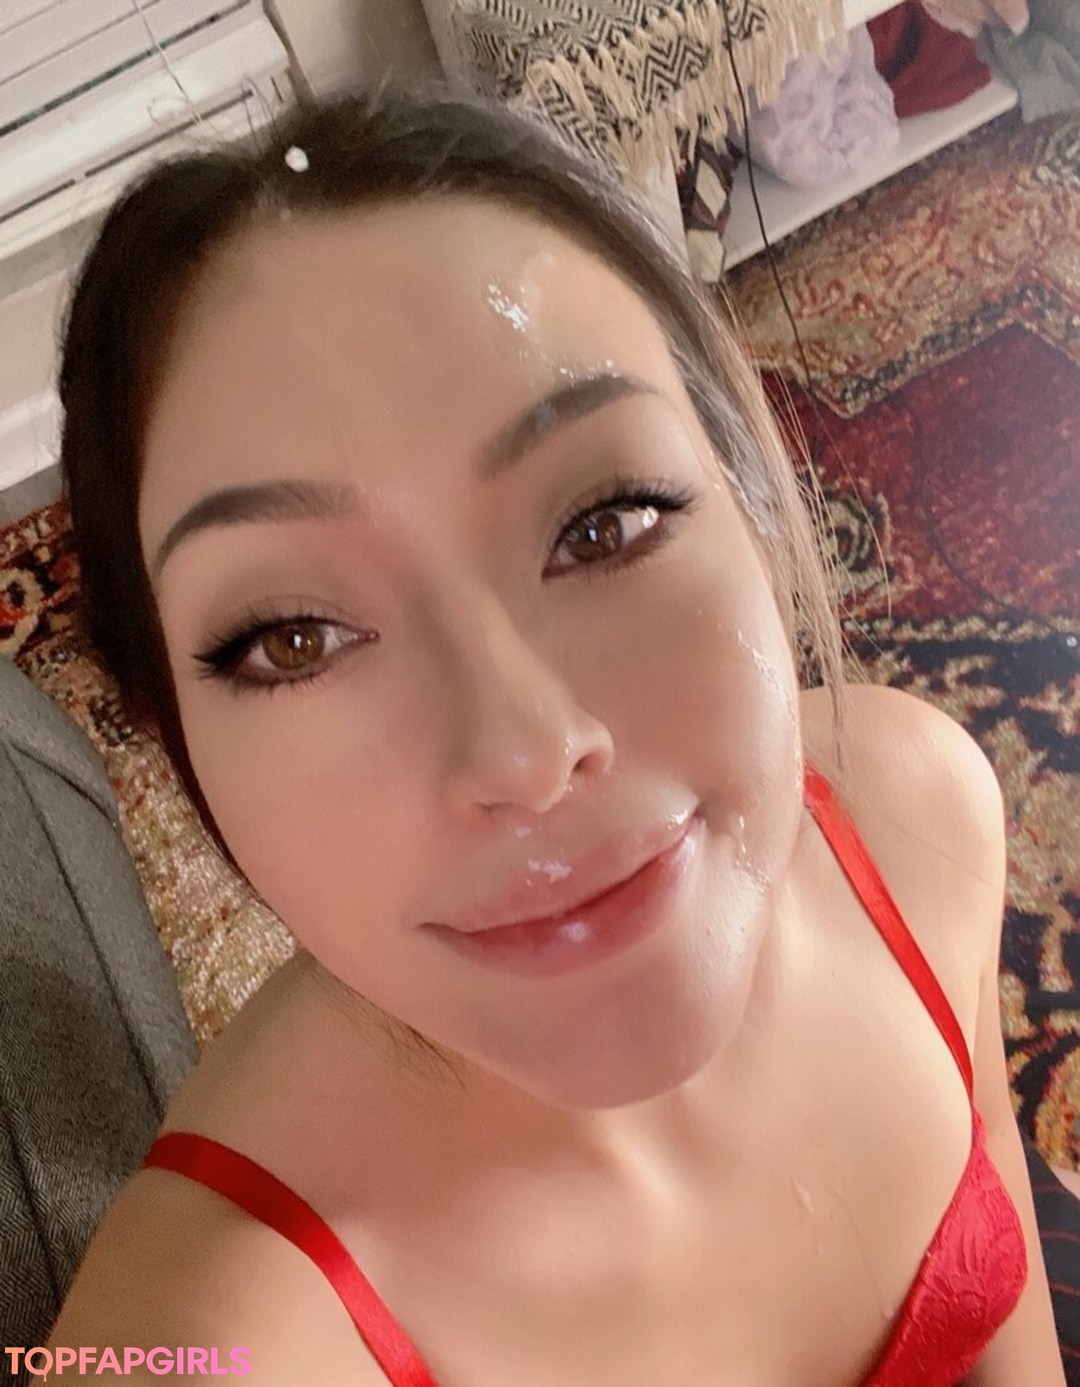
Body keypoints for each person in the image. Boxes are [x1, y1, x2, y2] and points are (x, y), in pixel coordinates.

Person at [46, 86, 1065, 1384]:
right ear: (166, 731)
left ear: (750, 493)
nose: (528, 756)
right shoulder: (200, 1343)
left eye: (607, 522)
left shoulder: (919, 815)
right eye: (293, 637)